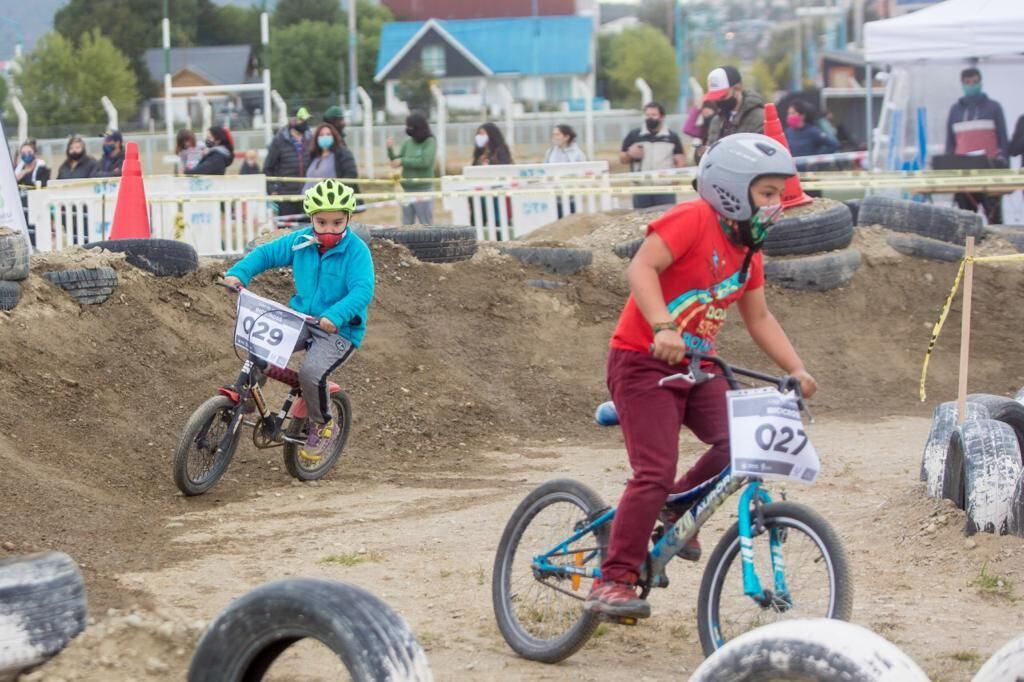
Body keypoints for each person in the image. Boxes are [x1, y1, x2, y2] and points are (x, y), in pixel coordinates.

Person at [583, 133, 817, 619]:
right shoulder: (693, 219)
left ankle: (673, 508)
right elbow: (642, 268)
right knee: (654, 471)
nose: (776, 205)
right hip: (643, 358)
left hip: (698, 366)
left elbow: (759, 319)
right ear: (732, 187)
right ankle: (613, 578)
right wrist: (663, 325)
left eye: (780, 195)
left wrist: (794, 369)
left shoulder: (749, 250)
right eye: (768, 193)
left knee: (741, 444)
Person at [223, 179, 374, 462]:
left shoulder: (357, 252)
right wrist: (238, 273)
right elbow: (266, 253)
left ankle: (323, 423)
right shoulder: (301, 241)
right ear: (311, 219)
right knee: (259, 345)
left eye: (337, 222)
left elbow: (362, 290)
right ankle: (243, 399)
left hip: (340, 329)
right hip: (302, 319)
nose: (329, 229)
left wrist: (336, 315)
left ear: (349, 219)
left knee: (311, 372)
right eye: (322, 222)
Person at [945, 67, 1008, 224]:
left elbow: (1003, 139)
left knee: (995, 220)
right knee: (965, 221)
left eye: (974, 82)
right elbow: (950, 143)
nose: (971, 86)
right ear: (962, 84)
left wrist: (1004, 166)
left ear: (980, 82)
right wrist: (947, 168)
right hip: (963, 173)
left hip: (990, 172)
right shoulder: (955, 110)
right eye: (967, 83)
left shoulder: (994, 108)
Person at [619, 102, 685, 209]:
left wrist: (674, 182)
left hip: (664, 188)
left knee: (665, 220)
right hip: (641, 188)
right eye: (647, 115)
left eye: (654, 115)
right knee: (641, 220)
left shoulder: (672, 137)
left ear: (662, 117)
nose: (650, 118)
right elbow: (622, 159)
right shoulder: (634, 135)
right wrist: (629, 154)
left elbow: (680, 160)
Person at [700, 66, 766, 159]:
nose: (718, 101)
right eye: (714, 98)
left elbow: (763, 155)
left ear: (738, 88)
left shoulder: (760, 117)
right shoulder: (716, 120)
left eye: (723, 96)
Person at [387, 113, 437, 225]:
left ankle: (429, 242)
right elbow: (397, 160)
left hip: (423, 189)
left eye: (410, 126)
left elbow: (425, 161)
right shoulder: (408, 142)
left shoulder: (430, 141)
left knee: (426, 223)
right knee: (406, 223)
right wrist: (390, 150)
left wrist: (403, 161)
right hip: (406, 188)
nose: (408, 129)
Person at [264, 106, 313, 217]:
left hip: (308, 195)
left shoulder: (311, 139)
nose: (304, 122)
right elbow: (268, 167)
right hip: (286, 196)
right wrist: (272, 190)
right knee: (287, 230)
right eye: (301, 119)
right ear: (292, 120)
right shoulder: (279, 141)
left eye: (306, 119)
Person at [15, 140, 50, 247]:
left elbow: (43, 186)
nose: (26, 155)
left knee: (37, 237)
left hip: (37, 208)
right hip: (22, 208)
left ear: (35, 152)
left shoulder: (42, 168)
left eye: (29, 152)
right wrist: (20, 175)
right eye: (23, 153)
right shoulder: (19, 169)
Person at [304, 122, 358, 191]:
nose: (325, 137)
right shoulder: (313, 156)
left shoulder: (342, 154)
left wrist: (338, 192)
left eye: (328, 134)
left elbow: (351, 175)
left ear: (334, 136)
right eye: (321, 135)